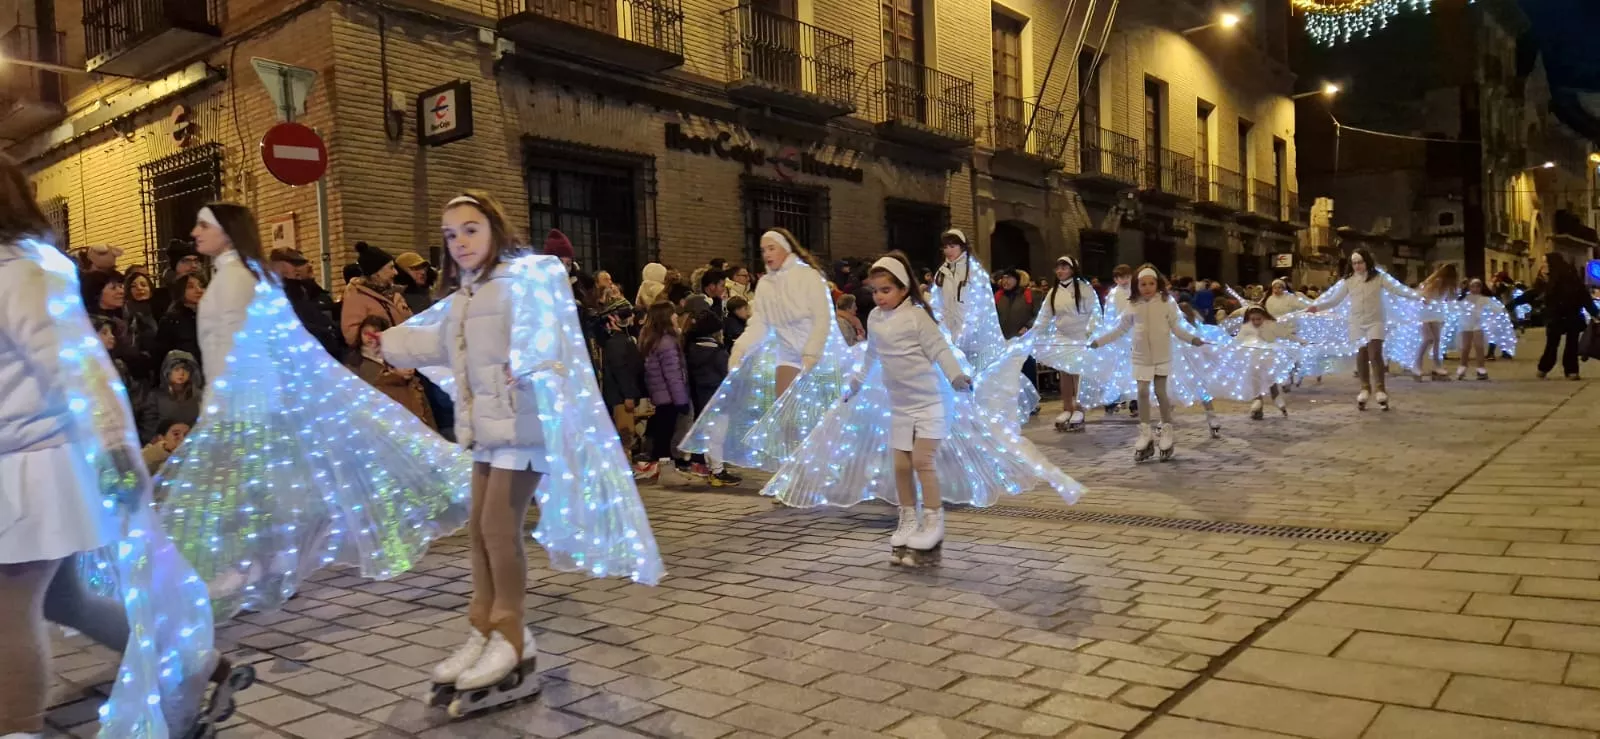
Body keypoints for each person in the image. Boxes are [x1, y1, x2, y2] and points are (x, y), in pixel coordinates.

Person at [381, 190, 662, 712]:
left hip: (525, 426)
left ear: (493, 228)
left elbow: (544, 337)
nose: (460, 241)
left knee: (496, 529)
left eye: (470, 229)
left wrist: (527, 362)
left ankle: (509, 636)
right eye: (450, 234)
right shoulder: (467, 295)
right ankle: (485, 630)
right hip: (489, 429)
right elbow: (436, 341)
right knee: (480, 534)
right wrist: (388, 343)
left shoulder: (519, 285)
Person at [0, 163, 229, 738]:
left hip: (33, 469)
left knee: (8, 610)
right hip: (21, 465)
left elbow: (79, 370)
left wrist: (118, 456)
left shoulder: (23, 273)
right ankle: (193, 665)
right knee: (62, 600)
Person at [157, 202, 470, 622]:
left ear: (228, 232)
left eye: (202, 225)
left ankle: (250, 566)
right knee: (256, 489)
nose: (194, 233)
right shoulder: (240, 277)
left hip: (245, 405)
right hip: (242, 403)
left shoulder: (237, 280)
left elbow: (244, 351)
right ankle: (261, 563)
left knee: (243, 490)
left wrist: (234, 404)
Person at [760, 252, 1082, 565]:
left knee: (922, 461)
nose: (880, 297)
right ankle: (907, 518)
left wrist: (956, 375)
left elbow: (940, 349)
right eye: (876, 291)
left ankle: (933, 522)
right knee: (900, 465)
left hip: (930, 401)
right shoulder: (874, 318)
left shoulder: (916, 317)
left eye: (886, 290)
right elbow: (872, 356)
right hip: (901, 404)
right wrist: (855, 384)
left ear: (903, 288)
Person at [682, 228, 848, 472]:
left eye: (772, 248)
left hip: (819, 353)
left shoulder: (809, 277)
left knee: (819, 418)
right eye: (763, 250)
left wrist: (812, 352)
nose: (767, 254)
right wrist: (741, 350)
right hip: (787, 354)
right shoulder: (766, 285)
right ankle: (790, 472)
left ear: (786, 248)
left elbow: (823, 318)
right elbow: (759, 323)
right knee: (785, 417)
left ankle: (826, 467)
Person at [1088, 265, 1205, 462]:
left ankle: (1167, 430)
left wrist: (1192, 339)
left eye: (1151, 283)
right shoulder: (1133, 305)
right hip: (1141, 358)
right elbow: (1120, 329)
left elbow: (1176, 327)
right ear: (1137, 286)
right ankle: (1145, 433)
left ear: (1158, 284)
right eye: (1143, 284)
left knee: (1160, 392)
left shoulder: (1167, 303)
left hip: (1161, 357)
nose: (1148, 287)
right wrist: (1099, 341)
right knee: (1142, 392)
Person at [1306, 247, 1424, 410]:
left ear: (1366, 261)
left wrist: (1418, 296)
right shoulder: (1349, 281)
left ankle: (1381, 389)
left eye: (1360, 262)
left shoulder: (1379, 277)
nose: (1357, 266)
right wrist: (1316, 307)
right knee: (1361, 355)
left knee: (1375, 353)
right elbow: (1335, 300)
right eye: (1354, 263)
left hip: (1375, 321)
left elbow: (1398, 289)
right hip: (1356, 323)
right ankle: (1364, 388)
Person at [1032, 256, 1099, 432]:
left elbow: (1095, 311)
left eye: (1065, 268)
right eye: (1058, 268)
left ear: (1072, 270)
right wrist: (1036, 331)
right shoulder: (1053, 292)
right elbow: (1045, 315)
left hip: (1080, 336)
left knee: (1077, 372)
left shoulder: (1084, 289)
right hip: (1062, 337)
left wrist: (1090, 331)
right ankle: (1067, 407)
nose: (1061, 271)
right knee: (1064, 373)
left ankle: (1079, 407)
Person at [1513, 253, 1599, 380]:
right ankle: (1549, 368)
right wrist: (1512, 304)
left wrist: (1595, 313)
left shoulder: (1568, 280)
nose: (1543, 265)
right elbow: (1531, 294)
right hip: (1558, 317)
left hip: (1569, 316)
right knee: (1554, 344)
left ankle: (1567, 370)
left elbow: (1584, 297)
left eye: (1545, 262)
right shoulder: (1548, 280)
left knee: (1569, 344)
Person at [636, 300, 695, 484]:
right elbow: (673, 374)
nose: (676, 316)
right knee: (666, 433)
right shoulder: (667, 342)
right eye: (673, 313)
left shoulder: (653, 339)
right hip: (668, 396)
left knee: (665, 432)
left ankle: (669, 469)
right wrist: (681, 400)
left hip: (661, 395)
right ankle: (667, 472)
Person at [683, 308, 740, 487]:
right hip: (719, 399)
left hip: (701, 398)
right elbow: (728, 376)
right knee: (718, 436)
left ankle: (711, 468)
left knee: (710, 434)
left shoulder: (690, 349)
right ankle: (717, 471)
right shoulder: (717, 353)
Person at [352, 315, 438, 428]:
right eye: (365, 333)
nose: (370, 337)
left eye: (375, 333)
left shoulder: (397, 355)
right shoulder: (355, 362)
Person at [268, 247, 344, 358]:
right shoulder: (281, 295)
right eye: (294, 264)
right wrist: (328, 333)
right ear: (281, 267)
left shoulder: (302, 290)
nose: (297, 269)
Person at [341, 242, 413, 348]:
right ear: (376, 272)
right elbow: (352, 334)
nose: (396, 272)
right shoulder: (357, 297)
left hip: (403, 356)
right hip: (379, 360)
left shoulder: (394, 294)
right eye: (391, 268)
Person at [598, 301, 644, 459]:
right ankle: (626, 464)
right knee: (625, 434)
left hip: (621, 395)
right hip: (620, 398)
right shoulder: (617, 343)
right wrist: (628, 395)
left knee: (626, 434)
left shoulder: (621, 340)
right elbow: (621, 371)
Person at [138, 350, 202, 443]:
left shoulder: (199, 396)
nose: (181, 373)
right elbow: (148, 427)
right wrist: (158, 441)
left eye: (186, 369)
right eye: (176, 369)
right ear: (168, 372)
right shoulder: (155, 396)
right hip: (164, 447)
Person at [1414, 264, 1459, 381]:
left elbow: (1449, 298)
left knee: (1437, 340)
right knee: (1428, 339)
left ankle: (1437, 366)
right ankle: (1416, 365)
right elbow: (1424, 295)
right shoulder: (1438, 281)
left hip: (1436, 312)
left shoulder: (1446, 284)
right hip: (1426, 312)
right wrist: (1427, 301)